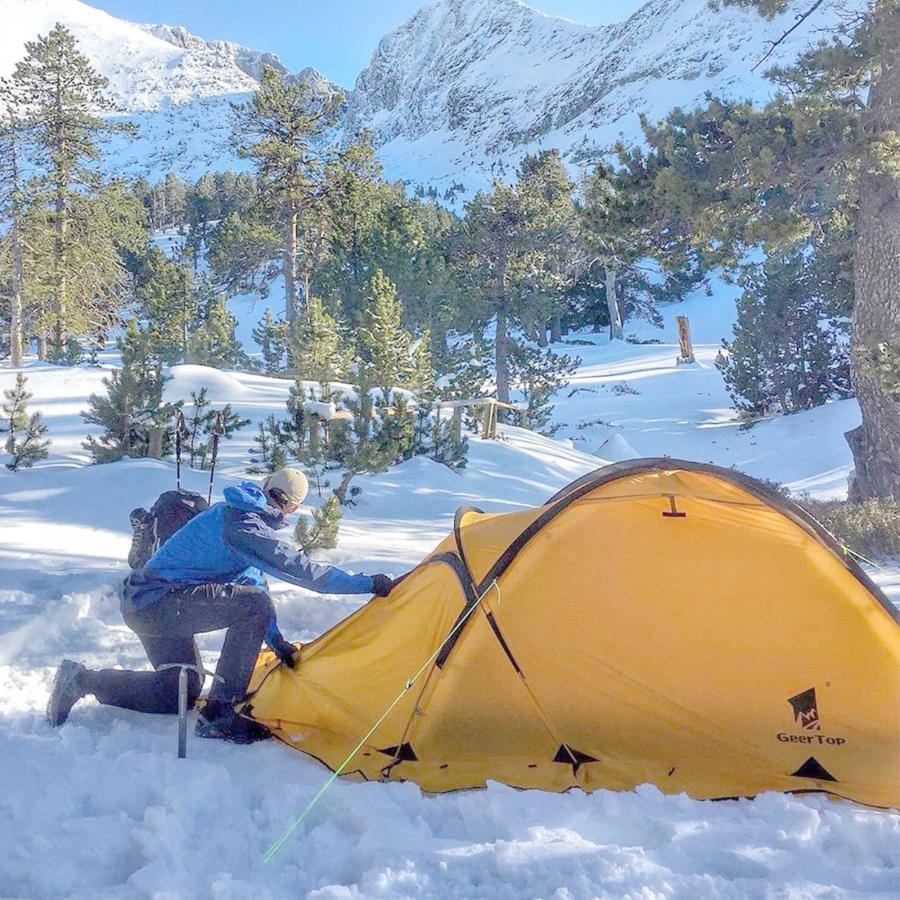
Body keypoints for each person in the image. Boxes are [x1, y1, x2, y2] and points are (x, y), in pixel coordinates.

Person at [46, 467, 393, 743]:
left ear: (266, 485)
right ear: (293, 507)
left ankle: (80, 680)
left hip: (144, 603)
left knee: (177, 691)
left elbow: (250, 581)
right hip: (159, 604)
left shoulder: (237, 514)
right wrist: (369, 584)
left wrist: (275, 640)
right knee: (252, 606)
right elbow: (307, 575)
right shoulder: (245, 524)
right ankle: (219, 715)